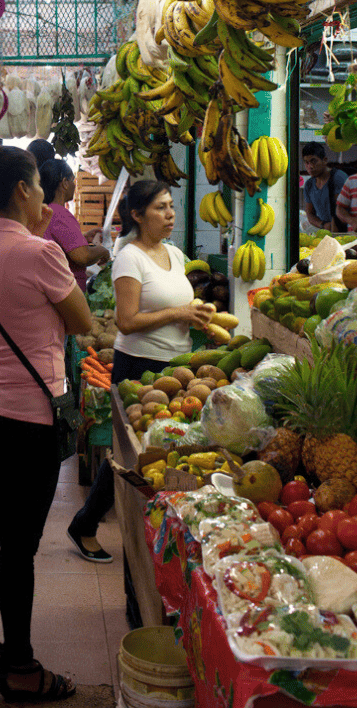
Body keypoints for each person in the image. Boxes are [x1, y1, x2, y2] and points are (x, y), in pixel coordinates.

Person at [0, 146, 91, 701]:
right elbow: (80, 321)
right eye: (38, 187)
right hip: (27, 419)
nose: (45, 196)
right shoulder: (41, 252)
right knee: (20, 546)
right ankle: (21, 668)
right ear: (21, 191)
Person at [67, 180, 214, 563]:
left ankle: (164, 535)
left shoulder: (175, 255)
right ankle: (87, 523)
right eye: (160, 208)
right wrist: (180, 312)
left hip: (176, 367)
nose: (170, 215)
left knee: (164, 455)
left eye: (171, 206)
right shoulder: (129, 258)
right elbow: (127, 320)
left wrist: (197, 318)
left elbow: (175, 309)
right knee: (133, 457)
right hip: (139, 367)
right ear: (137, 214)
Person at [39, 159, 110, 292]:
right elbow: (83, 256)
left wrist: (82, 238)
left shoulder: (46, 212)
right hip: (67, 292)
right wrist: (103, 251)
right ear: (65, 183)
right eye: (73, 179)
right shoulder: (60, 213)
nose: (74, 185)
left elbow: (59, 244)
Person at [302, 142, 347, 232]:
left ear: (325, 160)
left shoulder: (338, 178)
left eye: (313, 161)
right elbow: (310, 214)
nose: (310, 166)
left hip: (345, 232)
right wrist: (323, 224)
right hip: (327, 231)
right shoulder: (309, 185)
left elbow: (340, 212)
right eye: (306, 163)